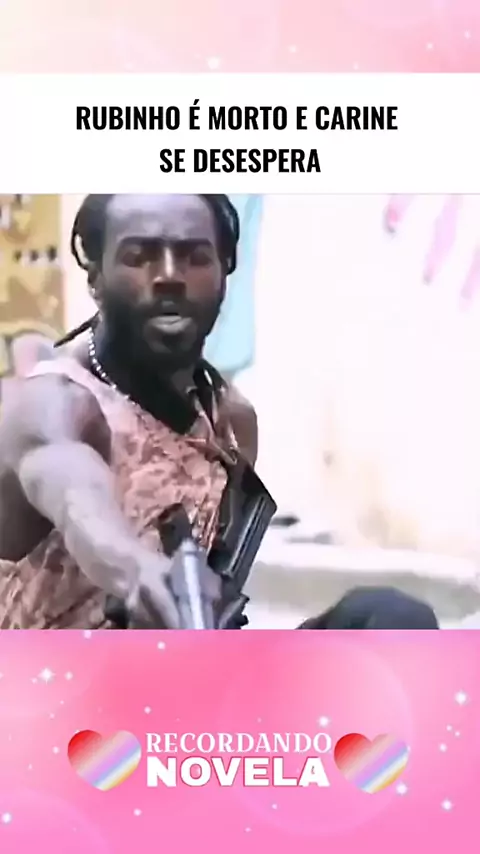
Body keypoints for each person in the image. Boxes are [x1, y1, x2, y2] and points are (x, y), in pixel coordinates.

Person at [0, 193, 439, 630]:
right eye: (139, 257)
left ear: (225, 274)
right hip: (53, 670)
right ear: (96, 277)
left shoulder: (230, 422)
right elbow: (75, 499)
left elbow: (219, 581)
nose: (169, 276)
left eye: (194, 257)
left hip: (188, 662)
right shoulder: (54, 401)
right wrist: (137, 572)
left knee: (389, 618)